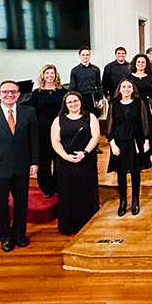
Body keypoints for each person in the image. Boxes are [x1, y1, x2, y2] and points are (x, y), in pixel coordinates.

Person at [0, 81, 40, 252]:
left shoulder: (29, 112)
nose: (9, 94)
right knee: (0, 204)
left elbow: (34, 139)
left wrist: (35, 161)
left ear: (19, 94)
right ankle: (4, 237)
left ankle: (20, 234)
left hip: (22, 166)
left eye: (13, 91)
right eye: (5, 91)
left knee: (21, 202)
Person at [51, 91, 100, 234]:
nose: (73, 104)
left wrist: (84, 153)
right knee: (67, 193)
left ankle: (87, 225)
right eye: (70, 102)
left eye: (76, 101)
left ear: (81, 101)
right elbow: (55, 141)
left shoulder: (90, 117)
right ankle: (68, 226)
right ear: (65, 105)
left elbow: (95, 136)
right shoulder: (58, 120)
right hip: (65, 162)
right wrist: (65, 156)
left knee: (86, 192)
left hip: (86, 159)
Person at [105, 80, 149, 216]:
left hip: (135, 141)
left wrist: (146, 140)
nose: (126, 89)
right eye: (123, 87)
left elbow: (145, 122)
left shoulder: (139, 103)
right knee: (121, 173)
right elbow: (109, 125)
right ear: (119, 89)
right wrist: (112, 143)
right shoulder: (114, 104)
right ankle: (123, 201)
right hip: (119, 142)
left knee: (135, 172)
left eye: (129, 87)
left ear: (133, 89)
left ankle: (135, 200)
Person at [29, 64, 68, 198]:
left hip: (59, 129)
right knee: (44, 161)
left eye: (52, 73)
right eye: (47, 73)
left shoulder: (62, 92)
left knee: (59, 159)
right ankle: (47, 188)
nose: (50, 76)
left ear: (56, 75)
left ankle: (59, 186)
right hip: (42, 131)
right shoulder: (37, 93)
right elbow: (33, 113)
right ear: (43, 76)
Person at [129, 53, 152, 169]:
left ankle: (147, 157)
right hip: (134, 107)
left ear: (146, 64)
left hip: (149, 107)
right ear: (135, 63)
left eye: (143, 62)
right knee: (135, 131)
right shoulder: (129, 77)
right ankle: (136, 158)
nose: (140, 64)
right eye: (138, 62)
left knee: (148, 131)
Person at [69, 46, 103, 116]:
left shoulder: (95, 69)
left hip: (92, 98)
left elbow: (99, 85)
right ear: (79, 56)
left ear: (90, 55)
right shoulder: (75, 71)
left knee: (94, 117)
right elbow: (72, 87)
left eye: (87, 55)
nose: (85, 57)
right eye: (83, 55)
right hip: (80, 98)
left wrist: (100, 99)